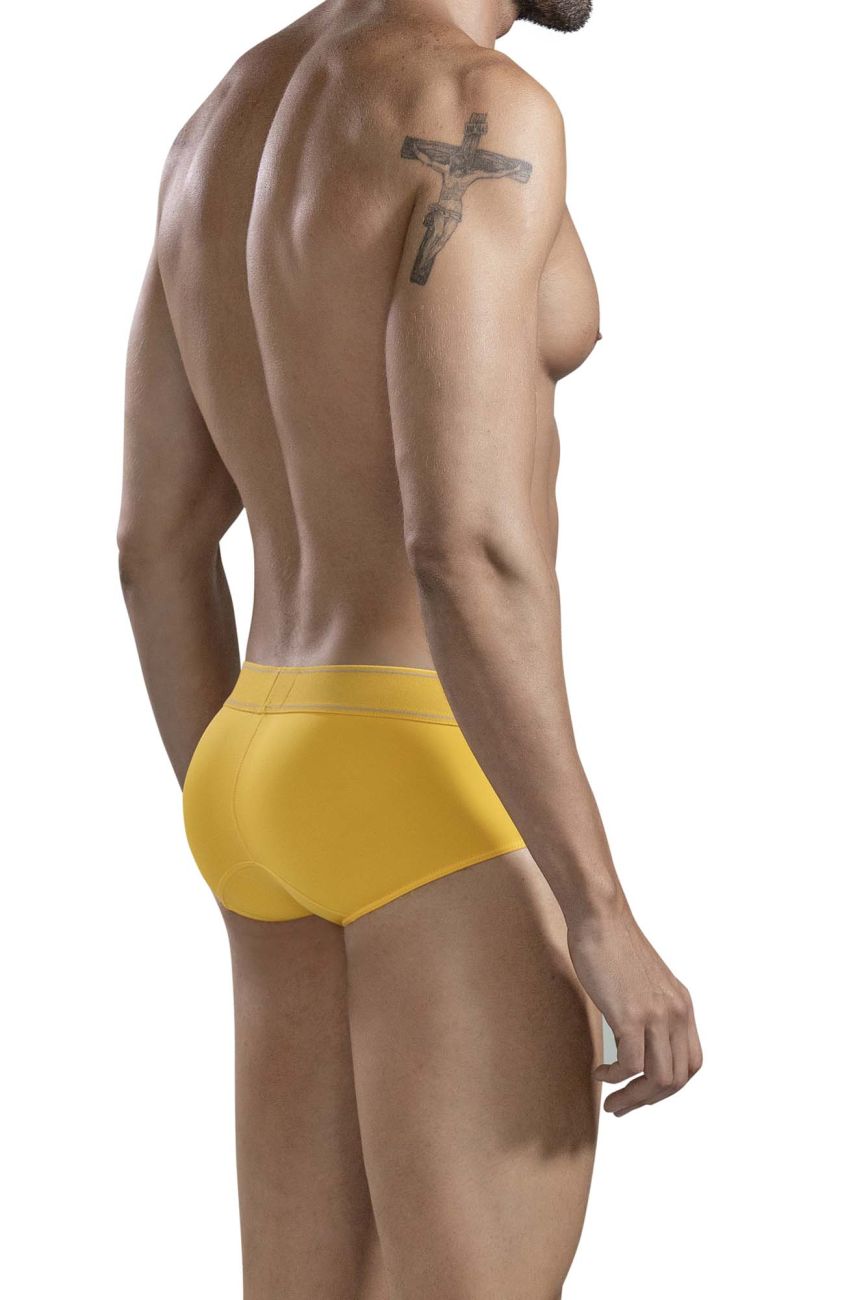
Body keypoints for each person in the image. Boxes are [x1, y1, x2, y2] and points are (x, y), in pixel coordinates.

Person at [118, 1, 702, 1295]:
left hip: (253, 761)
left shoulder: (219, 124)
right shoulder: (476, 107)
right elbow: (464, 542)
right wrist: (601, 916)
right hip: (425, 771)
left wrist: (260, 804)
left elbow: (154, 544)